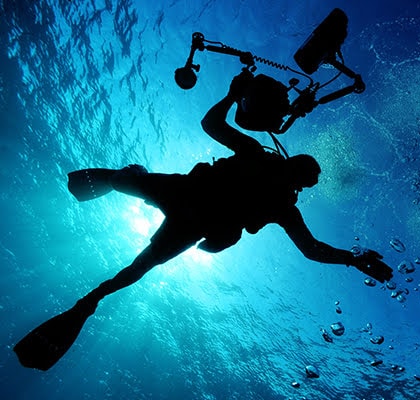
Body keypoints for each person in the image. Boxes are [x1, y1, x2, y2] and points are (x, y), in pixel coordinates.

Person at [14, 72, 393, 371]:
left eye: (302, 178)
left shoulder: (283, 207)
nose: (294, 177)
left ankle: (88, 302)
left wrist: (354, 259)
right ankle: (129, 176)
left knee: (138, 268)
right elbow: (211, 124)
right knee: (121, 183)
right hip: (185, 195)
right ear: (290, 164)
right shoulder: (255, 155)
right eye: (299, 170)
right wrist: (231, 95)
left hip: (192, 222)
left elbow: (312, 249)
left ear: (299, 184)